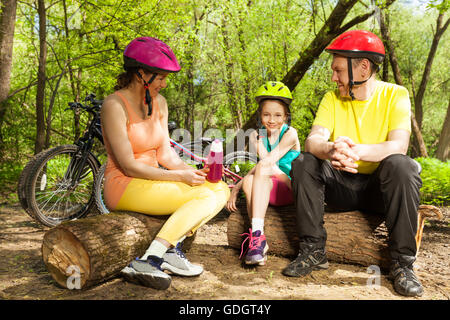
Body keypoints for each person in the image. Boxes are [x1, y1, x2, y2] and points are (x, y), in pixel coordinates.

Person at [282, 30, 424, 297]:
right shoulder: (331, 98)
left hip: (379, 191)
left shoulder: (396, 95)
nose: (334, 77)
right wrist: (331, 148)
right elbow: (313, 140)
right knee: (304, 161)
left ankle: (403, 265)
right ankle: (313, 251)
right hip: (341, 185)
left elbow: (399, 146)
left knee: (403, 165)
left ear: (363, 67)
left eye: (338, 70)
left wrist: (356, 152)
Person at [101, 37, 230, 290]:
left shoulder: (159, 103)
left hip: (151, 180)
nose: (164, 83)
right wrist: (179, 178)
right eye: (159, 76)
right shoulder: (114, 105)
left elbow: (166, 155)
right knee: (204, 197)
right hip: (123, 185)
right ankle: (150, 259)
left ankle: (169, 250)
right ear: (141, 74)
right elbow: (128, 166)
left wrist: (195, 172)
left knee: (220, 188)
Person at [226, 81, 301, 266]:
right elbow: (264, 166)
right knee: (251, 180)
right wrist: (241, 184)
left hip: (288, 186)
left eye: (277, 115)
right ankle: (258, 239)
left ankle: (257, 236)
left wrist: (237, 186)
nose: (272, 119)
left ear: (286, 117)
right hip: (266, 186)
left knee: (258, 171)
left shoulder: (290, 134)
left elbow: (268, 163)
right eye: (266, 114)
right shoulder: (255, 136)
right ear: (260, 115)